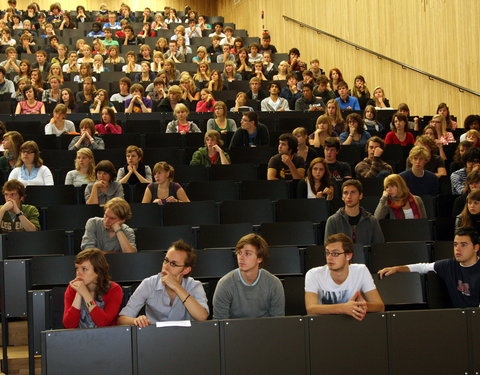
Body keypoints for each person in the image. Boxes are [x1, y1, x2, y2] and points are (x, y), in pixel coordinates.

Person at [378, 227, 480, 308]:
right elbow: (422, 267)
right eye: (455, 244)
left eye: (463, 245)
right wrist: (397, 269)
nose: (458, 249)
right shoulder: (448, 265)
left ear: (476, 248)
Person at [118, 240, 209, 325]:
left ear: (186, 270)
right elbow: (122, 319)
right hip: (154, 337)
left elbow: (202, 317)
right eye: (166, 260)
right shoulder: (149, 283)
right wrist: (136, 321)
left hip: (185, 337)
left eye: (173, 264)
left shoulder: (195, 285)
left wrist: (177, 287)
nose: (166, 267)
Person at [305, 233, 384, 320]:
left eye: (335, 253)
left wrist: (361, 306)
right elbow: (311, 309)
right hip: (323, 325)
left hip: (352, 324)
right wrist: (343, 308)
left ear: (348, 256)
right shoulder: (313, 274)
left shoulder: (361, 271)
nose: (329, 258)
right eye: (327, 253)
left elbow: (380, 307)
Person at [213, 234, 285, 319]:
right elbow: (219, 324)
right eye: (239, 253)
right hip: (233, 331)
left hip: (265, 330)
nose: (241, 258)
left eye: (247, 254)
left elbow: (277, 322)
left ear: (259, 258)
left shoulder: (274, 284)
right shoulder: (225, 284)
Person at [325, 179, 384, 262]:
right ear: (342, 197)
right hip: (341, 266)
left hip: (366, 265)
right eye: (346, 193)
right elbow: (329, 249)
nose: (349, 196)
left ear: (360, 196)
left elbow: (379, 249)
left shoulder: (372, 221)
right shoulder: (332, 221)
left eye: (353, 192)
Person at [63, 248, 123, 328]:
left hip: (107, 337)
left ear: (98, 271)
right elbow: (69, 325)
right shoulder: (72, 289)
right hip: (78, 337)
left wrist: (85, 294)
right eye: (77, 268)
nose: (78, 273)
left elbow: (103, 322)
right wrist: (79, 294)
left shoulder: (114, 289)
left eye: (84, 269)